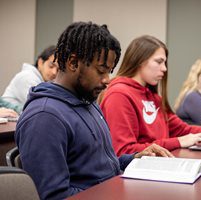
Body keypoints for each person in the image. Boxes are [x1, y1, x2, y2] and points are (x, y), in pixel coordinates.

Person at [15, 22, 173, 200]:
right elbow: (55, 196)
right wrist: (116, 192)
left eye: (109, 71)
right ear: (73, 62)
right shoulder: (44, 117)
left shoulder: (88, 103)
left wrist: (135, 158)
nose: (107, 80)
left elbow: (102, 168)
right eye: (101, 71)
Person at [100, 35, 201, 157]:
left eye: (165, 63)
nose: (164, 69)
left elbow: (183, 130)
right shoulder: (119, 95)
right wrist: (178, 142)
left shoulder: (153, 97)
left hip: (160, 167)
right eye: (159, 62)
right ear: (139, 61)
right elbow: (124, 152)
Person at [2, 45, 58, 110]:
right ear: (40, 62)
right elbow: (39, 107)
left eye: (58, 69)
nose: (54, 72)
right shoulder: (28, 77)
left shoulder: (42, 81)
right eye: (51, 66)